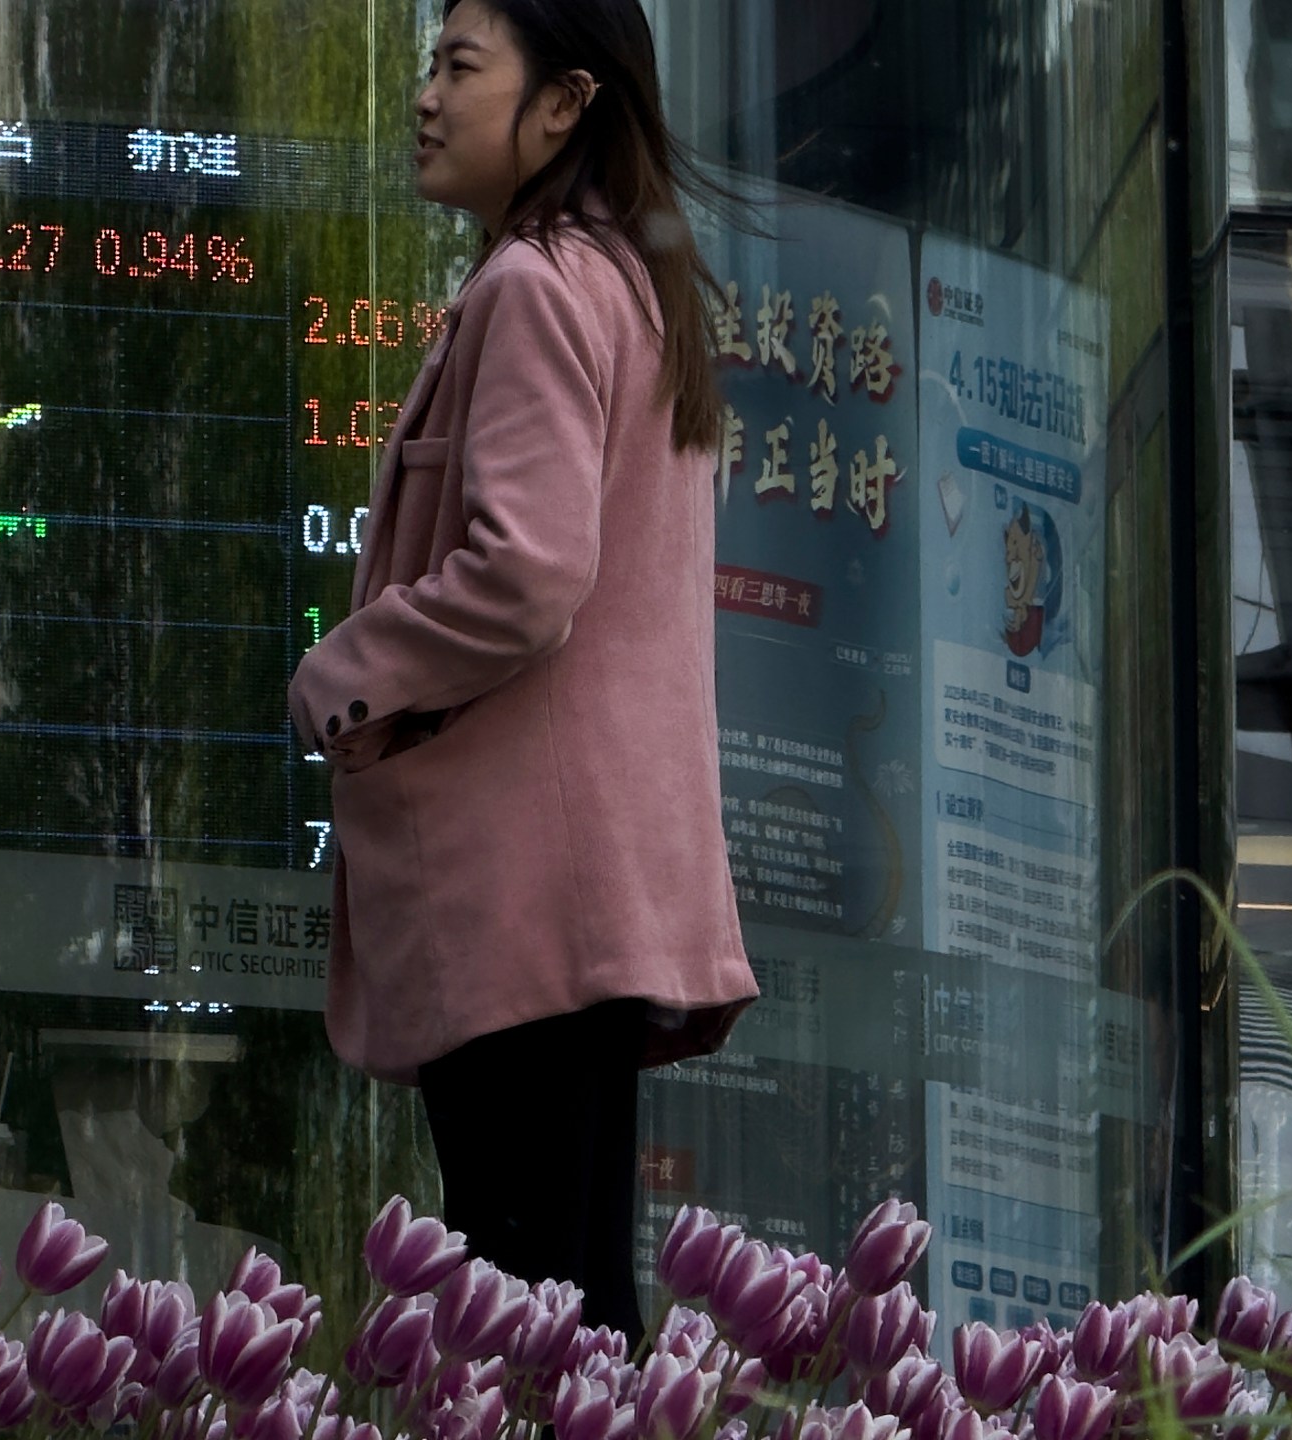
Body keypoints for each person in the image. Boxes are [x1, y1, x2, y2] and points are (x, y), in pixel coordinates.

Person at [287, 0, 756, 1341]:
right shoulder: (629, 289)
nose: (426, 96)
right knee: (576, 1309)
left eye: (460, 67)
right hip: (599, 899)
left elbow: (527, 573)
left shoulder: (536, 289)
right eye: (430, 66)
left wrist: (341, 673)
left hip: (520, 899)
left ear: (563, 106)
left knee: (520, 1316)